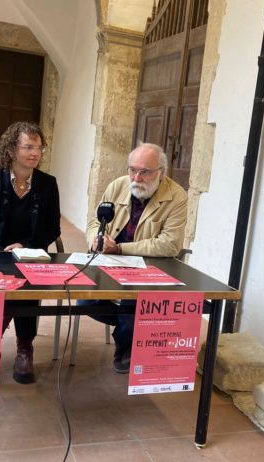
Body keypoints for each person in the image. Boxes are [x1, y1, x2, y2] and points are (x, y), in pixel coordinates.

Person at [0, 121, 61, 384]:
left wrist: (26, 247)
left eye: (39, 148)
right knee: (9, 282)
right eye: (28, 146)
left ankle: (22, 347)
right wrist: (1, 250)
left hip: (30, 254)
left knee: (26, 281)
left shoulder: (47, 184)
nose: (35, 153)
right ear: (11, 149)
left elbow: (52, 229)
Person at [83, 142, 187, 373]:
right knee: (84, 300)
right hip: (108, 261)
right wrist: (96, 239)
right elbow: (94, 222)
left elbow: (169, 244)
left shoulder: (177, 196)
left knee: (132, 302)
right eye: (132, 169)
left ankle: (126, 344)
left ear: (161, 172)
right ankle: (129, 330)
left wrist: (120, 248)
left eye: (145, 171)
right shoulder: (118, 185)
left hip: (147, 268)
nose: (136, 177)